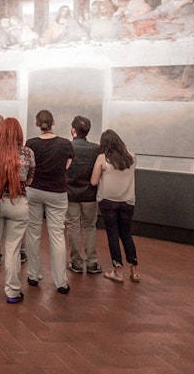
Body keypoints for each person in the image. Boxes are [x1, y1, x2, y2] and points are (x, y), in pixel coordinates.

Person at [0, 117, 34, 303]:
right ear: (19, 133)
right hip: (18, 203)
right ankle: (12, 291)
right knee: (13, 249)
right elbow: (30, 179)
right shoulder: (28, 153)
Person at [24, 109, 74, 294]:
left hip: (34, 190)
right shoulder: (65, 144)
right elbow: (66, 167)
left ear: (37, 124)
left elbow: (28, 166)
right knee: (57, 235)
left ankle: (33, 275)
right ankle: (61, 282)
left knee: (33, 232)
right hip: (57, 192)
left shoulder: (31, 143)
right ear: (53, 123)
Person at [90, 130, 139, 283]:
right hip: (128, 201)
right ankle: (134, 270)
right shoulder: (132, 157)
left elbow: (94, 181)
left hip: (108, 201)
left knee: (113, 234)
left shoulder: (102, 158)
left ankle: (117, 271)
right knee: (126, 234)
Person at [65, 116, 101, 274]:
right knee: (90, 227)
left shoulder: (67, 147)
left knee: (72, 226)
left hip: (70, 194)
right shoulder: (96, 149)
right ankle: (92, 262)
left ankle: (76, 262)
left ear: (73, 130)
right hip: (90, 195)